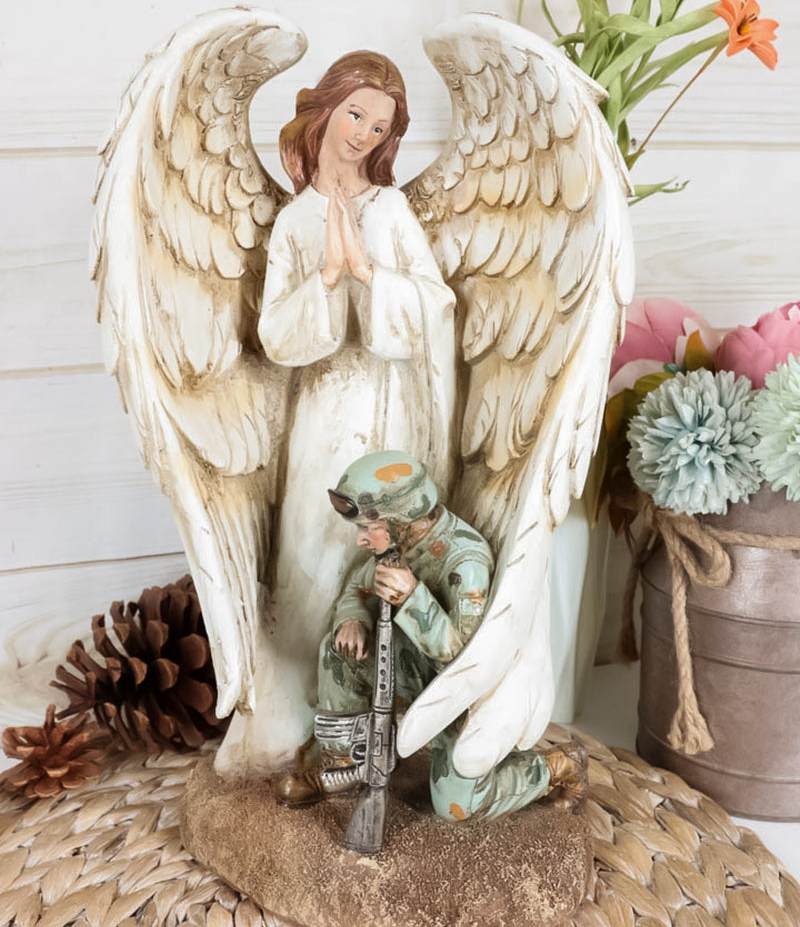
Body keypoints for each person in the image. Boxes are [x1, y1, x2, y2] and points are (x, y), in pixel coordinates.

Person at [216, 53, 457, 773]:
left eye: (378, 125)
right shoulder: (294, 223)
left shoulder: (389, 209)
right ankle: (310, 703)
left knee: (385, 538)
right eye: (354, 113)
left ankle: (390, 704)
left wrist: (369, 276)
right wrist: (325, 277)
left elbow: (435, 301)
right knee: (318, 539)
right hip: (323, 409)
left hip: (392, 404)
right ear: (324, 110)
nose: (361, 134)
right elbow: (276, 336)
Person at [278, 450, 588, 820]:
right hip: (405, 669)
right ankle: (344, 760)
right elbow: (356, 591)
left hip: (453, 696)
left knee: (457, 807)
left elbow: (462, 656)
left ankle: (556, 765)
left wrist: (411, 597)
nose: (361, 539)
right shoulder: (397, 544)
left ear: (401, 518)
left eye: (367, 528)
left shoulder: (464, 563)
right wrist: (352, 619)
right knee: (337, 650)